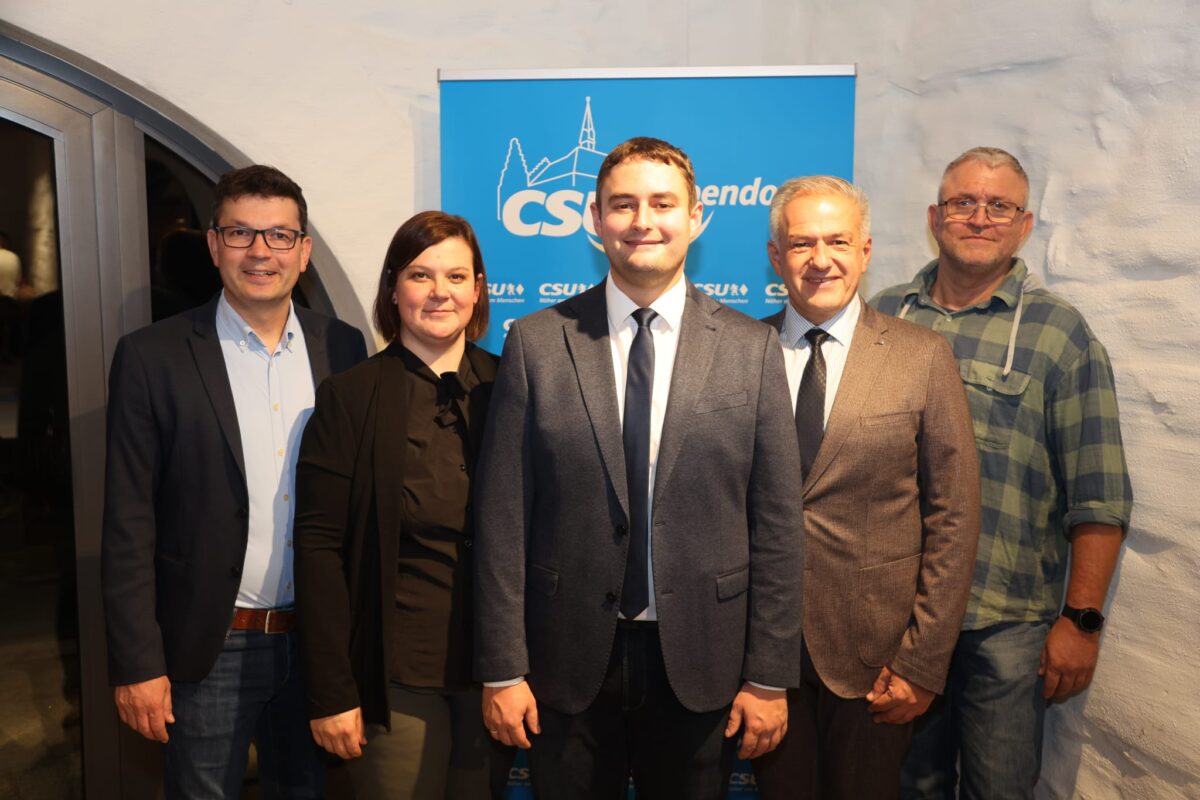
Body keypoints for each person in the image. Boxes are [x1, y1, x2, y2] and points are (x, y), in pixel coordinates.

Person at [473, 136, 806, 799]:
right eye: (623, 204)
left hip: (704, 659)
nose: (642, 221)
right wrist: (503, 668)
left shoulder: (752, 348)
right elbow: (502, 518)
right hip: (563, 661)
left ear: (696, 217)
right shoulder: (536, 343)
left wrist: (770, 675)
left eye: (662, 203)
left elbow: (776, 525)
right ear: (595, 219)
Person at [871, 147, 1134, 799]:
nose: (979, 217)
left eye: (999, 206)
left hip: (1006, 624)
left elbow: (1098, 494)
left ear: (1024, 225)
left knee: (1000, 790)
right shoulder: (883, 316)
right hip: (898, 619)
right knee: (908, 787)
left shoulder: (1059, 334)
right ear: (935, 217)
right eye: (963, 202)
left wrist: (1081, 622)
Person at [101, 165, 368, 798]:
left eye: (279, 235)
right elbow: (128, 522)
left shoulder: (343, 348)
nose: (260, 252)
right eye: (240, 233)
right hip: (207, 648)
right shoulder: (152, 356)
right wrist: (138, 663)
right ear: (214, 245)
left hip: (317, 644)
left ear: (303, 251)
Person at [748, 176, 980, 799]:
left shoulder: (922, 356)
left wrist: (921, 662)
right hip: (762, 654)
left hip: (878, 655)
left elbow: (954, 515)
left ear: (866, 250)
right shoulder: (741, 352)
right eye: (802, 243)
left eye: (838, 241)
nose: (820, 259)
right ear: (775, 256)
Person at [293, 211, 513, 798]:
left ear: (478, 290)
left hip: (496, 672)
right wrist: (332, 691)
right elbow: (318, 550)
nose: (440, 292)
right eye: (421, 275)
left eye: (457, 277)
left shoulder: (513, 387)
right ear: (394, 289)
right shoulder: (350, 398)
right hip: (395, 678)